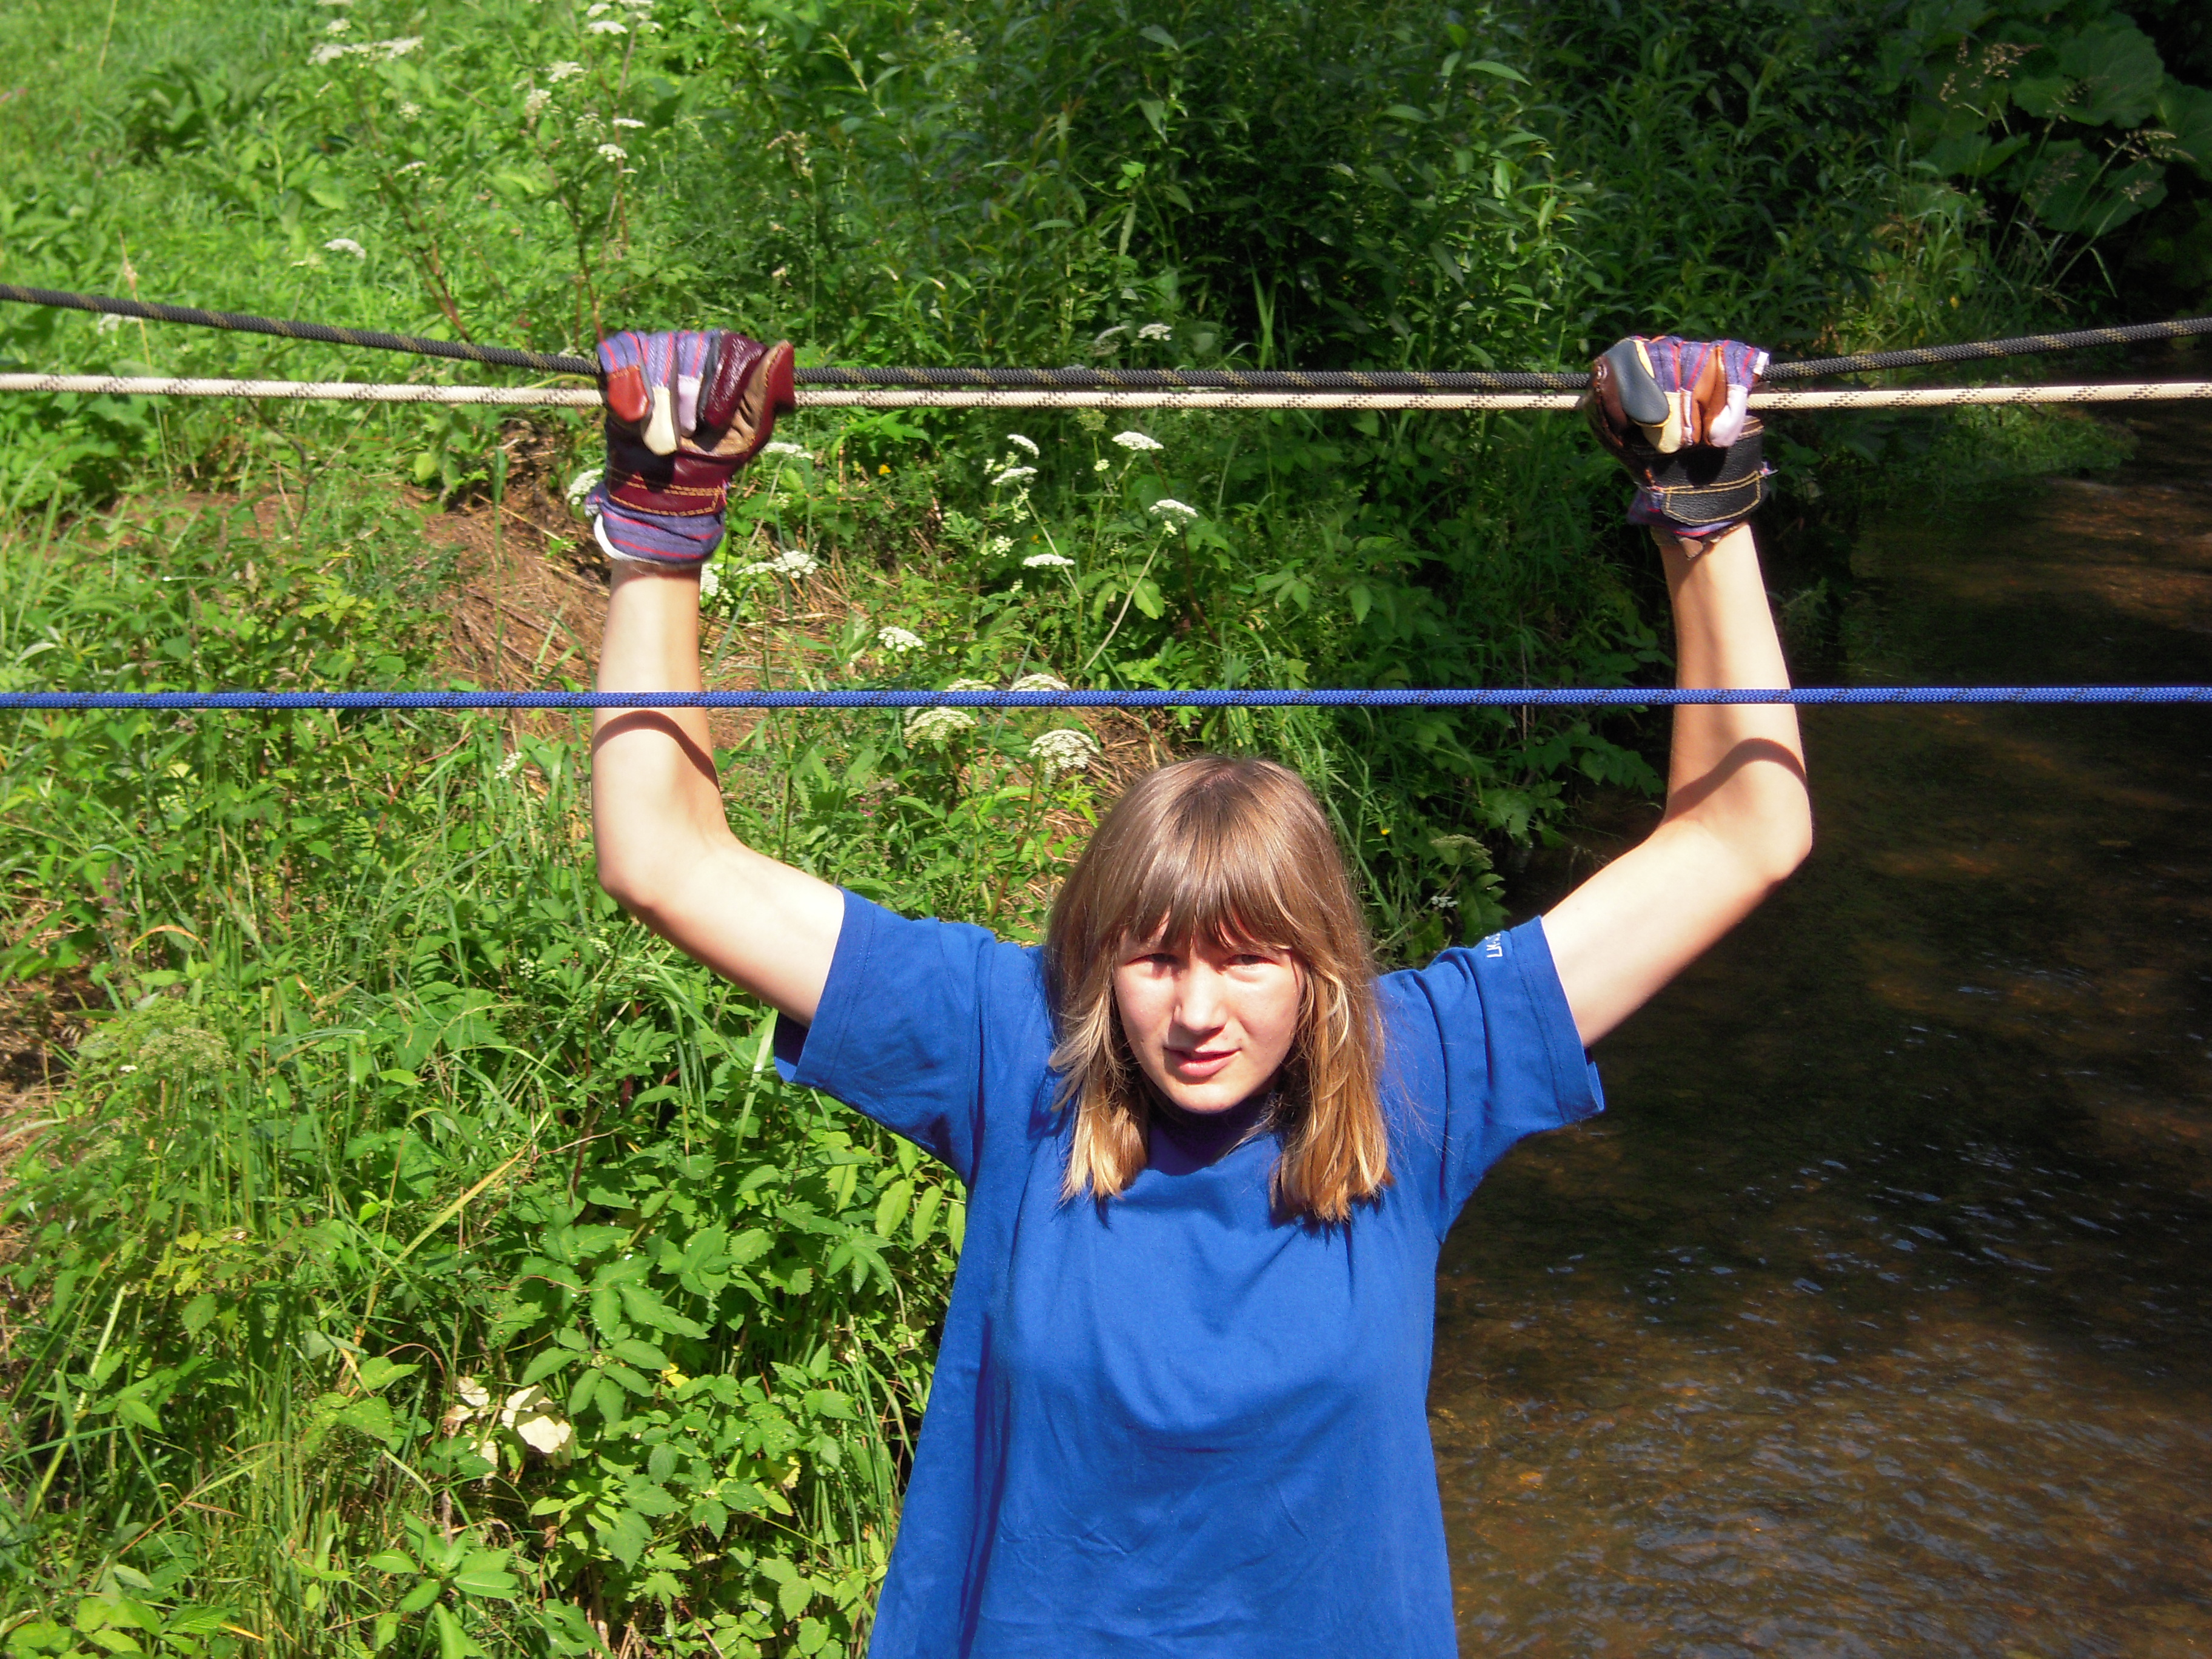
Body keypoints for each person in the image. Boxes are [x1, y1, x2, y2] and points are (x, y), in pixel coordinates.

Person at [586, 326, 1810, 1657]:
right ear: (1097, 958)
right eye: (1155, 958)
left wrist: (1704, 513)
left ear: (1323, 967)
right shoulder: (1023, 1046)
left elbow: (1746, 832)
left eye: (1248, 959)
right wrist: (664, 524)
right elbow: (664, 859)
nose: (1196, 1012)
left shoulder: (1417, 1068)